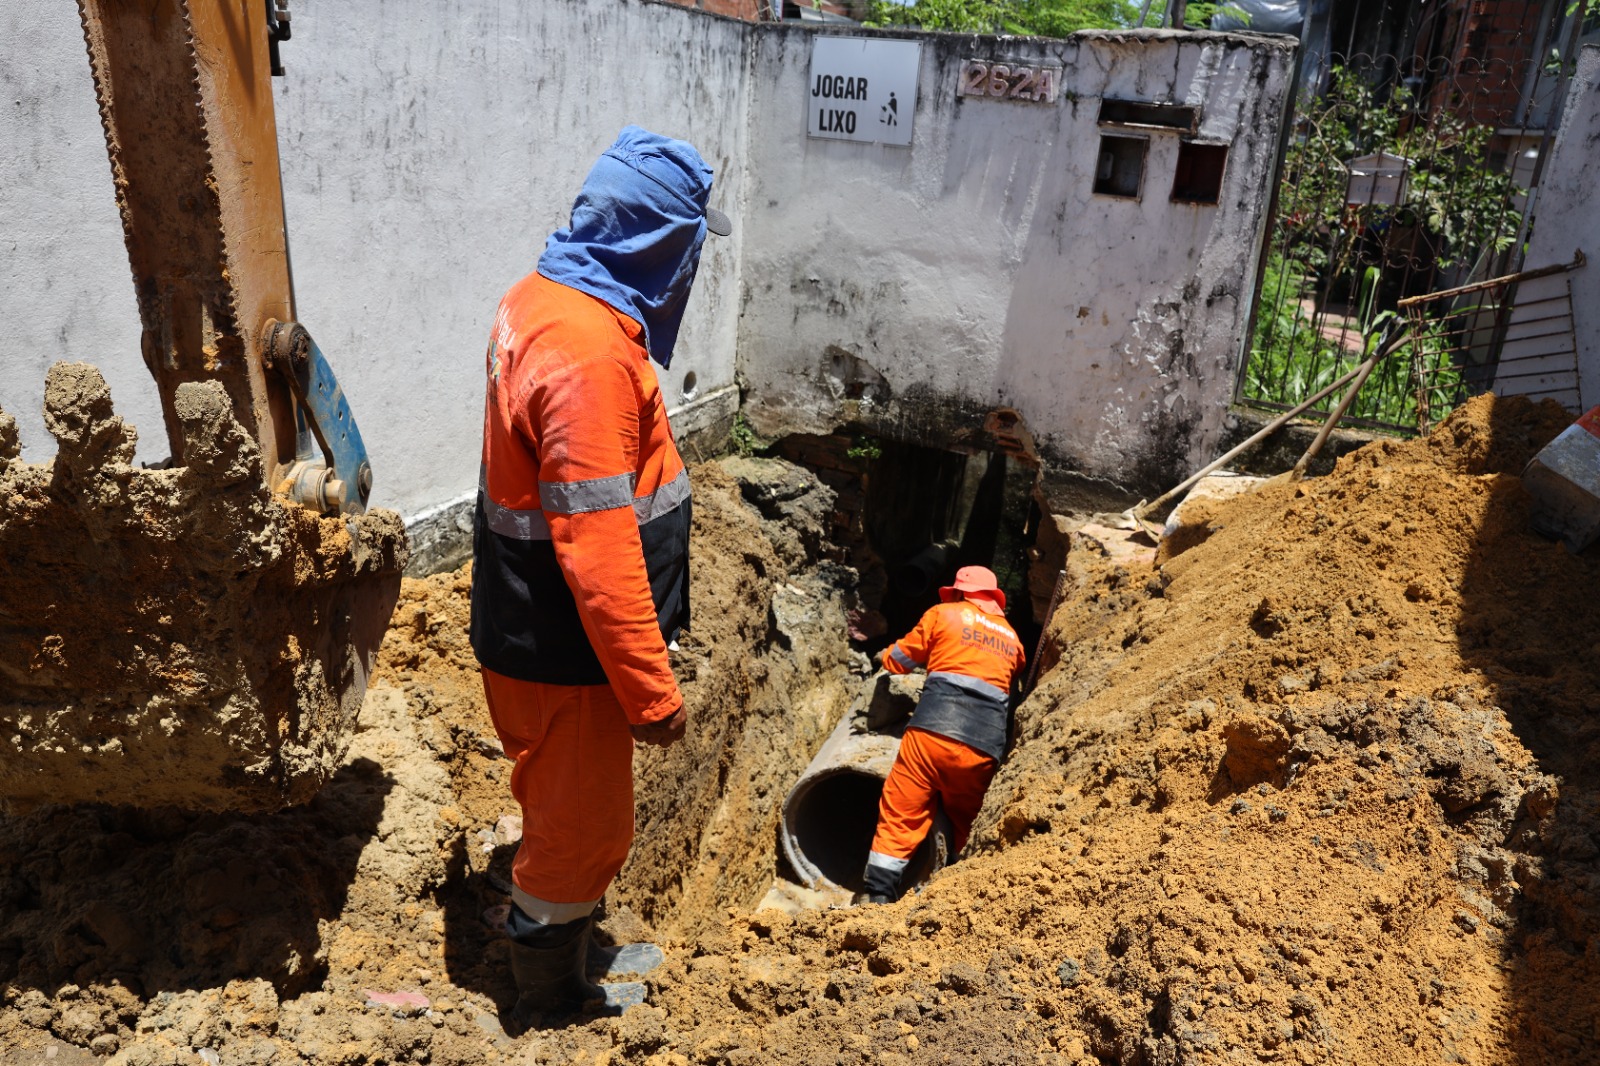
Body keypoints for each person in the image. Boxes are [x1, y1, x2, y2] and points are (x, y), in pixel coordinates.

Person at [469, 125, 731, 1016]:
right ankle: (548, 999)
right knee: (583, 834)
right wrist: (651, 691)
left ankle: (578, 947)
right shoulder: (585, 354)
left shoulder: (545, 302)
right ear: (662, 238)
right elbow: (599, 544)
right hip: (563, 643)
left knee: (571, 811)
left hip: (544, 630)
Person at [862, 566, 1025, 903]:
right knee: (968, 820)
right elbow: (1011, 678)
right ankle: (955, 892)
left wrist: (884, 655)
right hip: (983, 750)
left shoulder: (943, 614)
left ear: (960, 591)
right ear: (992, 599)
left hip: (931, 736)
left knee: (902, 811)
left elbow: (902, 659)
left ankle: (878, 897)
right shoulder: (1013, 639)